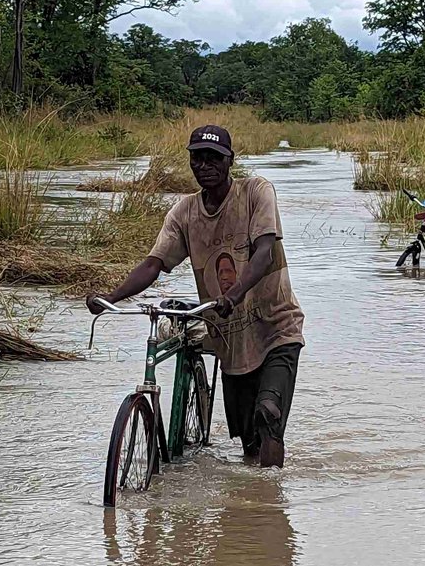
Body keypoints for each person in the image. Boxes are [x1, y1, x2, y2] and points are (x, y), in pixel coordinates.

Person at [87, 124, 305, 468]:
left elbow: (263, 253)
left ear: (229, 161)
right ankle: (249, 507)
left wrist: (233, 295)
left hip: (275, 327)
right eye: (197, 157)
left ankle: (271, 507)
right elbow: (154, 264)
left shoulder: (255, 193)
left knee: (268, 416)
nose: (205, 165)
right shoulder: (184, 214)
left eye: (213, 158)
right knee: (249, 446)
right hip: (231, 339)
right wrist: (111, 298)